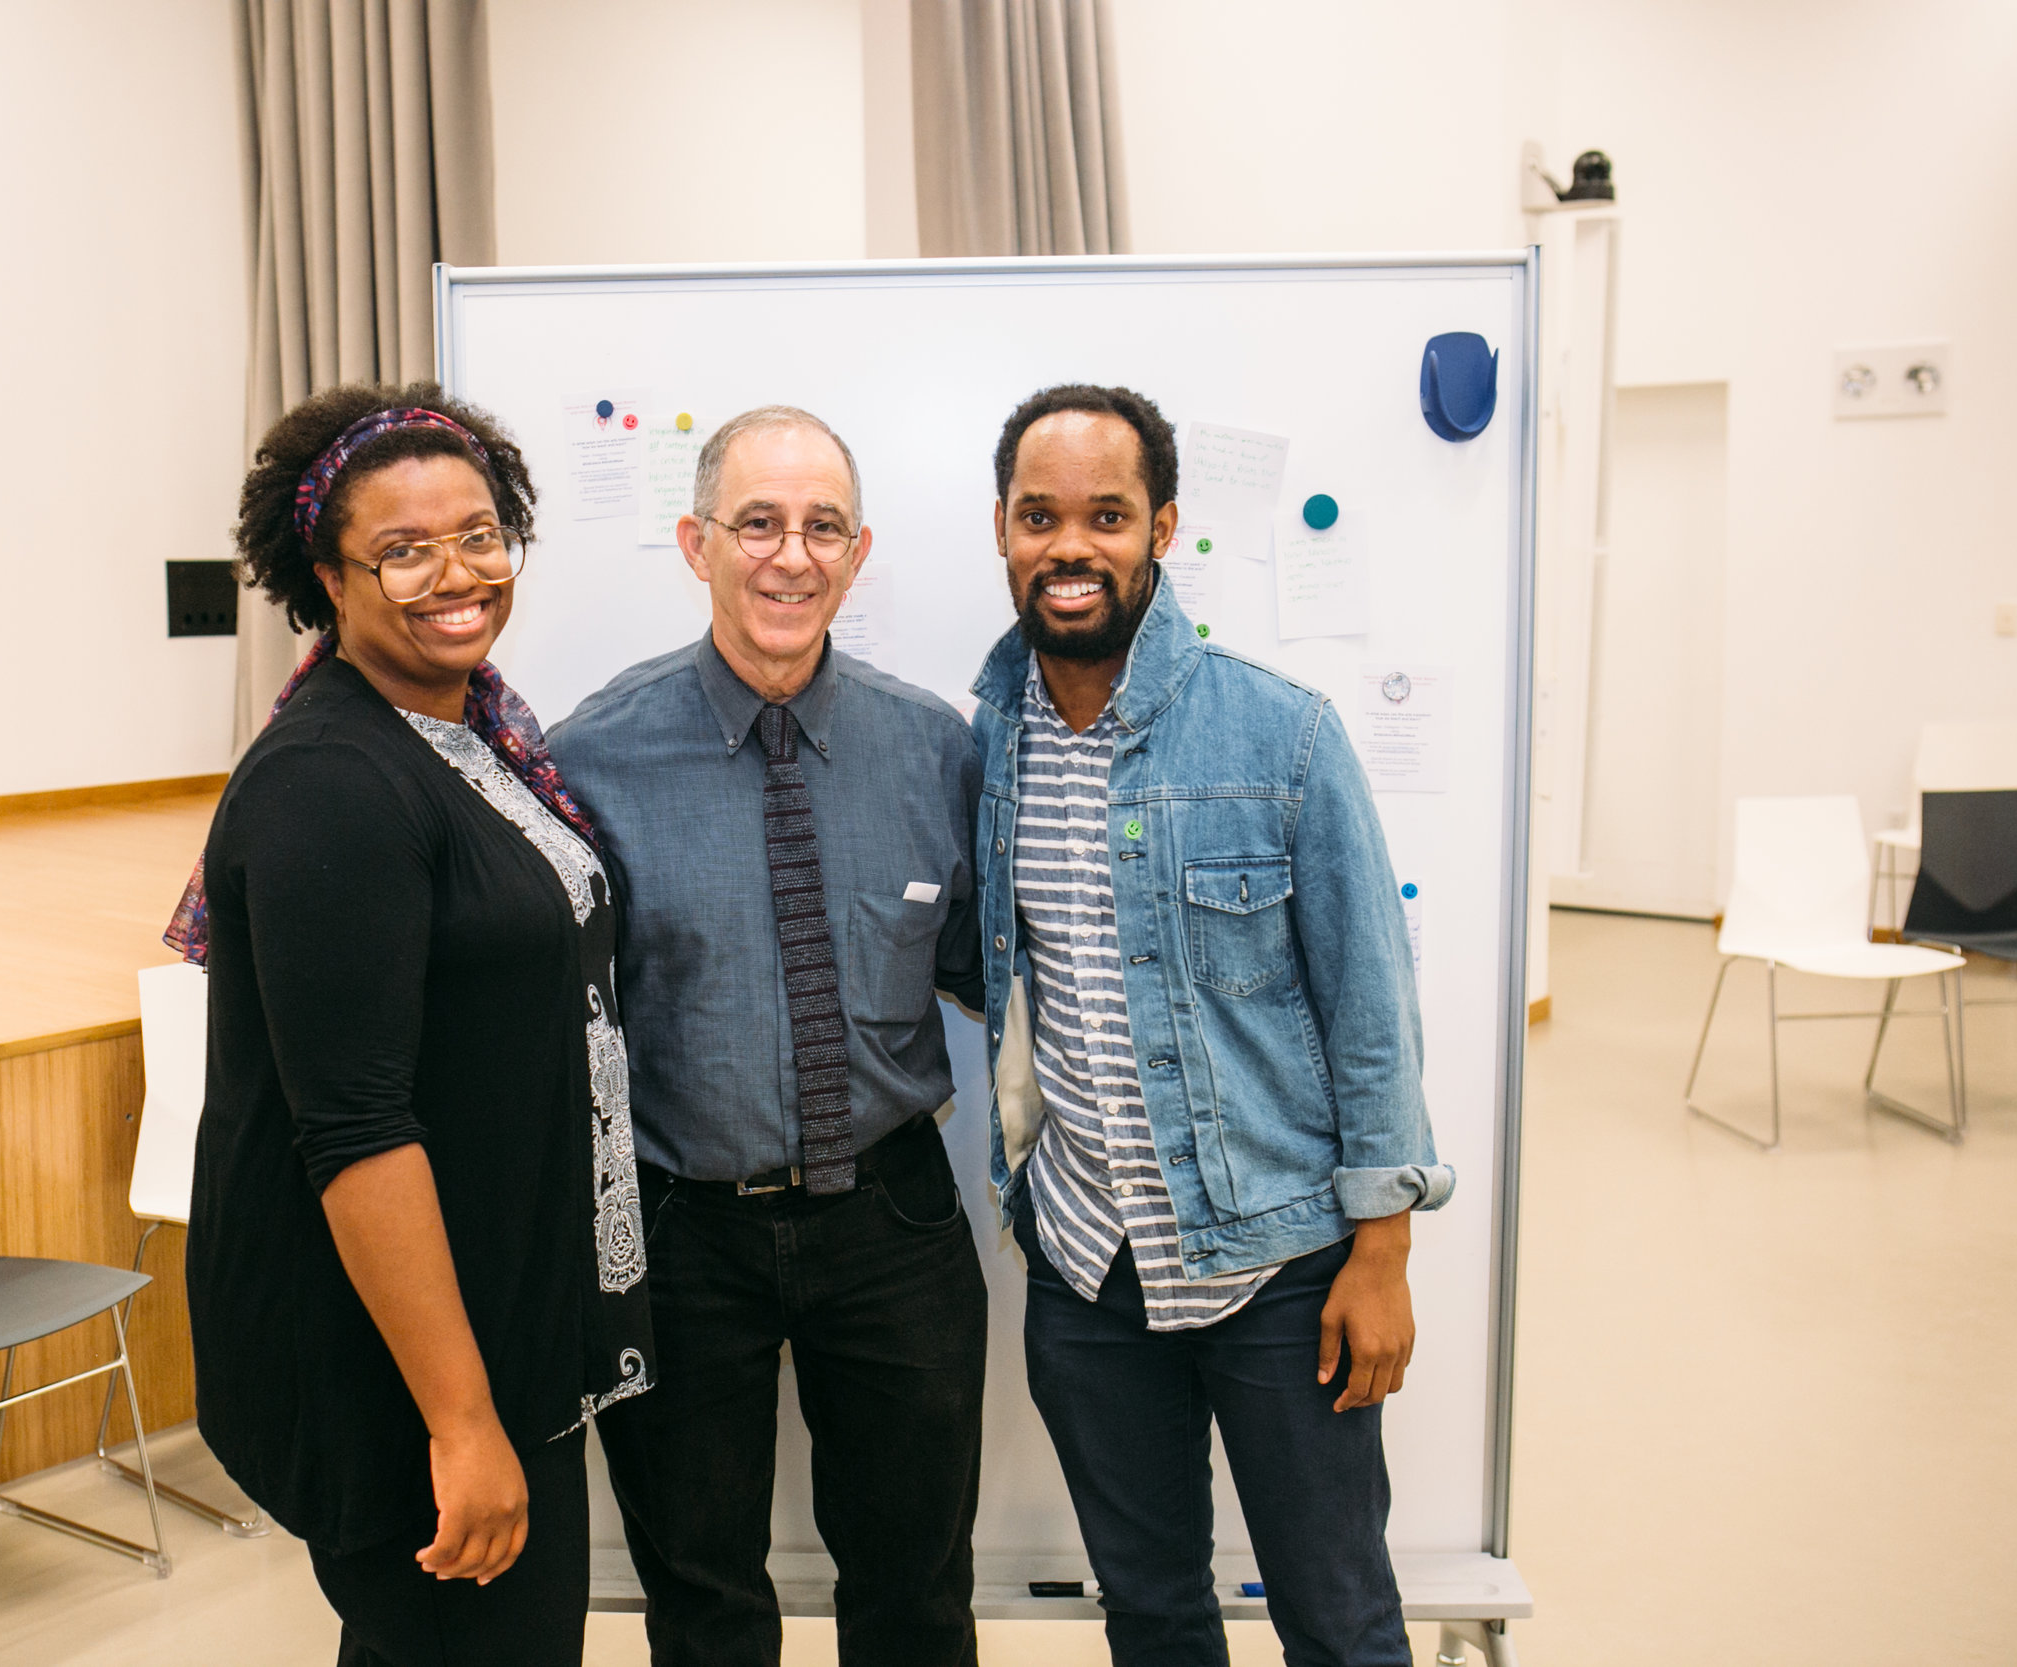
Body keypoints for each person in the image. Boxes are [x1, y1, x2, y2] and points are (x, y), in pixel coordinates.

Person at [966, 385, 1454, 1667]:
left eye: (1106, 514)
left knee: (1338, 1618)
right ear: (1004, 532)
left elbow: (1371, 1008)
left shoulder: (1280, 733)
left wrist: (1383, 1252)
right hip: (1087, 1265)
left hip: (1281, 1267)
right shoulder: (990, 745)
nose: (1070, 544)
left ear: (1162, 527)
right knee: (1154, 1612)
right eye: (1039, 514)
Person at [177, 383, 653, 1667]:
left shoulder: (468, 728)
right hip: (402, 1367)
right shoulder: (331, 782)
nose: (457, 571)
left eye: (480, 532)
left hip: (493, 1315)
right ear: (323, 576)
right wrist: (460, 1421)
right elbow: (355, 1130)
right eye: (403, 547)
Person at [549, 405, 988, 1667]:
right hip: (683, 1233)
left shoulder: (935, 751)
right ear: (698, 543)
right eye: (757, 524)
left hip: (893, 1228)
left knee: (914, 1588)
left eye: (821, 527)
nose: (790, 555)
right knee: (703, 1600)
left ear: (857, 554)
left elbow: (988, 972)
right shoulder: (592, 758)